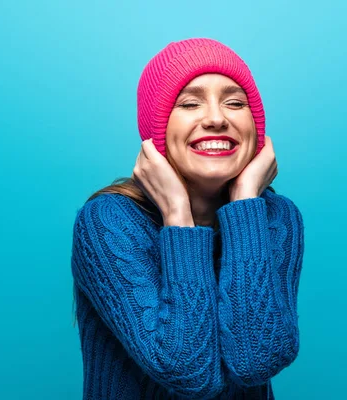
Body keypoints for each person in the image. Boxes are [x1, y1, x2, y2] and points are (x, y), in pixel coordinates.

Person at [70, 38, 304, 399]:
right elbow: (187, 370)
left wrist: (244, 206)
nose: (215, 118)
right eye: (190, 103)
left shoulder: (276, 217)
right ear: (157, 128)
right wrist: (177, 215)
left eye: (235, 103)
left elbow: (257, 360)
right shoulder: (108, 222)